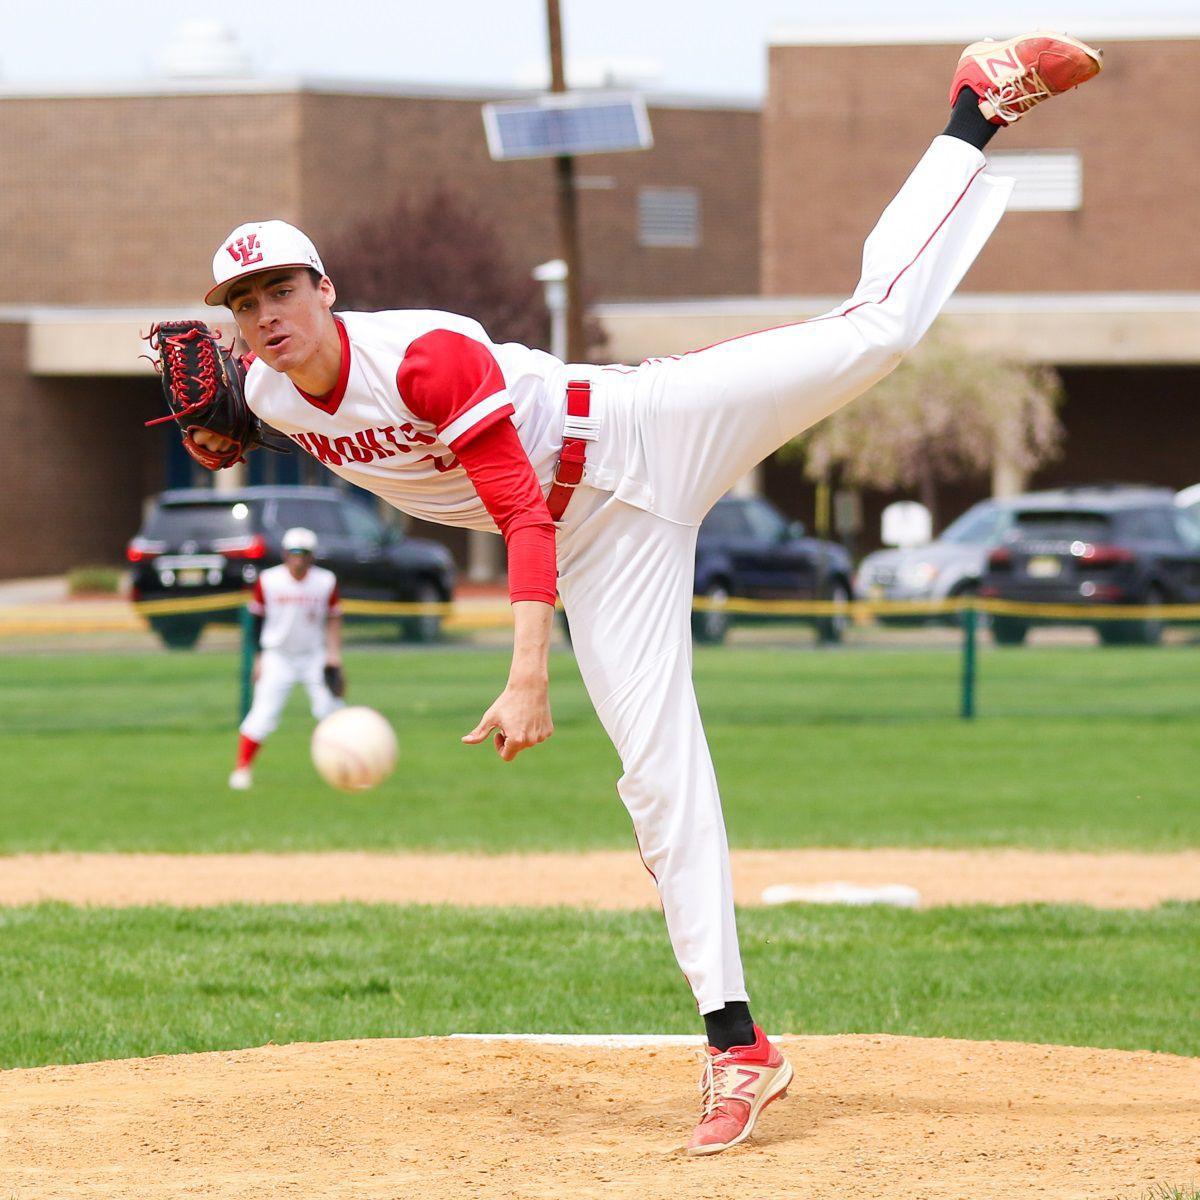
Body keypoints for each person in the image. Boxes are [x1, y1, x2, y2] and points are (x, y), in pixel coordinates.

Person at [192, 33, 1101, 1152]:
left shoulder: (420, 356)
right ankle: (739, 1047)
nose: (266, 312)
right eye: (244, 300)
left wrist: (528, 674)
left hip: (640, 427)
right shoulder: (275, 399)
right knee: (659, 777)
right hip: (601, 553)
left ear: (326, 287)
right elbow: (259, 412)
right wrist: (221, 420)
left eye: (282, 285)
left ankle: (978, 102)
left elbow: (516, 511)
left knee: (876, 332)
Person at [229, 527, 345, 790]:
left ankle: (346, 766)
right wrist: (259, 658)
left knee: (331, 711)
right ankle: (242, 769)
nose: (298, 558)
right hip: (278, 655)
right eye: (293, 552)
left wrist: (333, 656)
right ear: (284, 554)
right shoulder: (269, 580)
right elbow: (257, 620)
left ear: (312, 556)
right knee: (263, 714)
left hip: (313, 655)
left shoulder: (325, 581)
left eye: (304, 553)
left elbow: (334, 616)